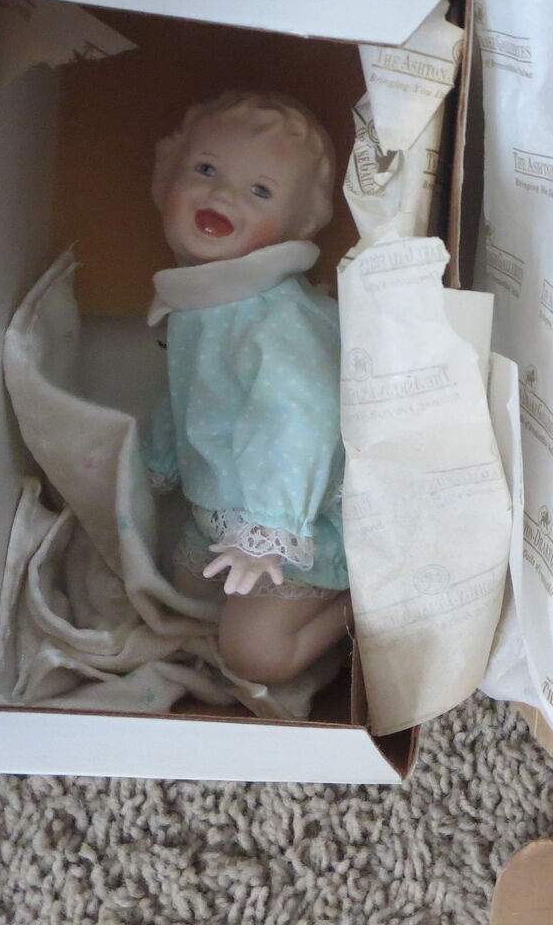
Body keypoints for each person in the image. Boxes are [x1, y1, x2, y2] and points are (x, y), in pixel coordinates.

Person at [144, 90, 350, 685]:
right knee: (184, 594)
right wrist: (154, 465)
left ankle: (364, 602)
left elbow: (304, 417)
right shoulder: (204, 301)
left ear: (300, 224)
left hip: (298, 517)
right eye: (206, 169)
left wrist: (270, 530)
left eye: (260, 191)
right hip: (223, 506)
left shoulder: (276, 320)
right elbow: (188, 395)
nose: (223, 195)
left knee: (254, 654)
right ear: (167, 176)